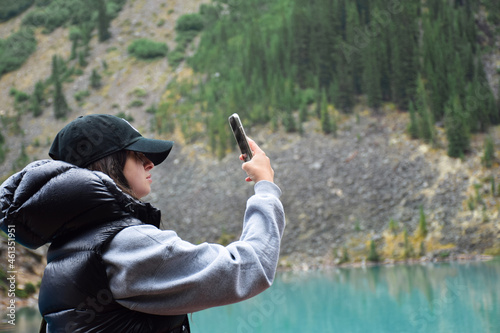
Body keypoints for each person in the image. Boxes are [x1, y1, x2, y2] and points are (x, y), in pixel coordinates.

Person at [0, 114, 285, 333]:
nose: (150, 164)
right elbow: (250, 268)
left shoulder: (66, 247)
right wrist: (266, 186)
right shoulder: (126, 244)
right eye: (137, 156)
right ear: (107, 164)